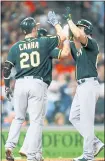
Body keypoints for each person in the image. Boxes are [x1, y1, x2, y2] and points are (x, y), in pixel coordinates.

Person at [3, 16, 69, 161]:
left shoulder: (15, 46)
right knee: (36, 121)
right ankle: (32, 155)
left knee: (18, 118)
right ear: (33, 28)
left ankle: (9, 145)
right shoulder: (43, 42)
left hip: (19, 83)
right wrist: (57, 23)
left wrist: (7, 87)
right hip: (36, 84)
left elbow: (6, 69)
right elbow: (63, 36)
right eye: (36, 26)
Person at [18, 28, 70, 157]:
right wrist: (67, 38)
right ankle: (28, 148)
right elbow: (65, 53)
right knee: (37, 121)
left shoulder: (27, 48)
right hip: (39, 87)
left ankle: (37, 151)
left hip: (25, 86)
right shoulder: (45, 48)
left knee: (37, 120)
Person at [62, 7, 104, 161]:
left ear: (85, 30)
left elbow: (79, 34)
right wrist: (60, 28)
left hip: (89, 84)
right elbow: (67, 44)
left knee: (86, 120)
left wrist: (69, 20)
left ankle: (88, 155)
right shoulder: (78, 48)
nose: (76, 30)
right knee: (74, 117)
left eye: (79, 27)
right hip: (82, 86)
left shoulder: (91, 43)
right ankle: (96, 143)